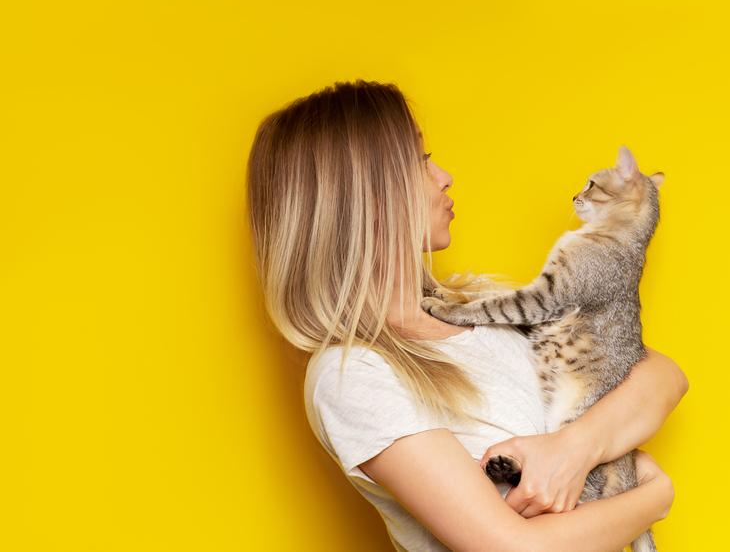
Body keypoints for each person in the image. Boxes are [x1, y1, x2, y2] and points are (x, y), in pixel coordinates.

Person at [245, 79, 689, 551]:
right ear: (366, 196)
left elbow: (660, 375)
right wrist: (654, 498)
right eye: (420, 160)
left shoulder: (483, 300)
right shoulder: (353, 375)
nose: (444, 176)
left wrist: (573, 449)